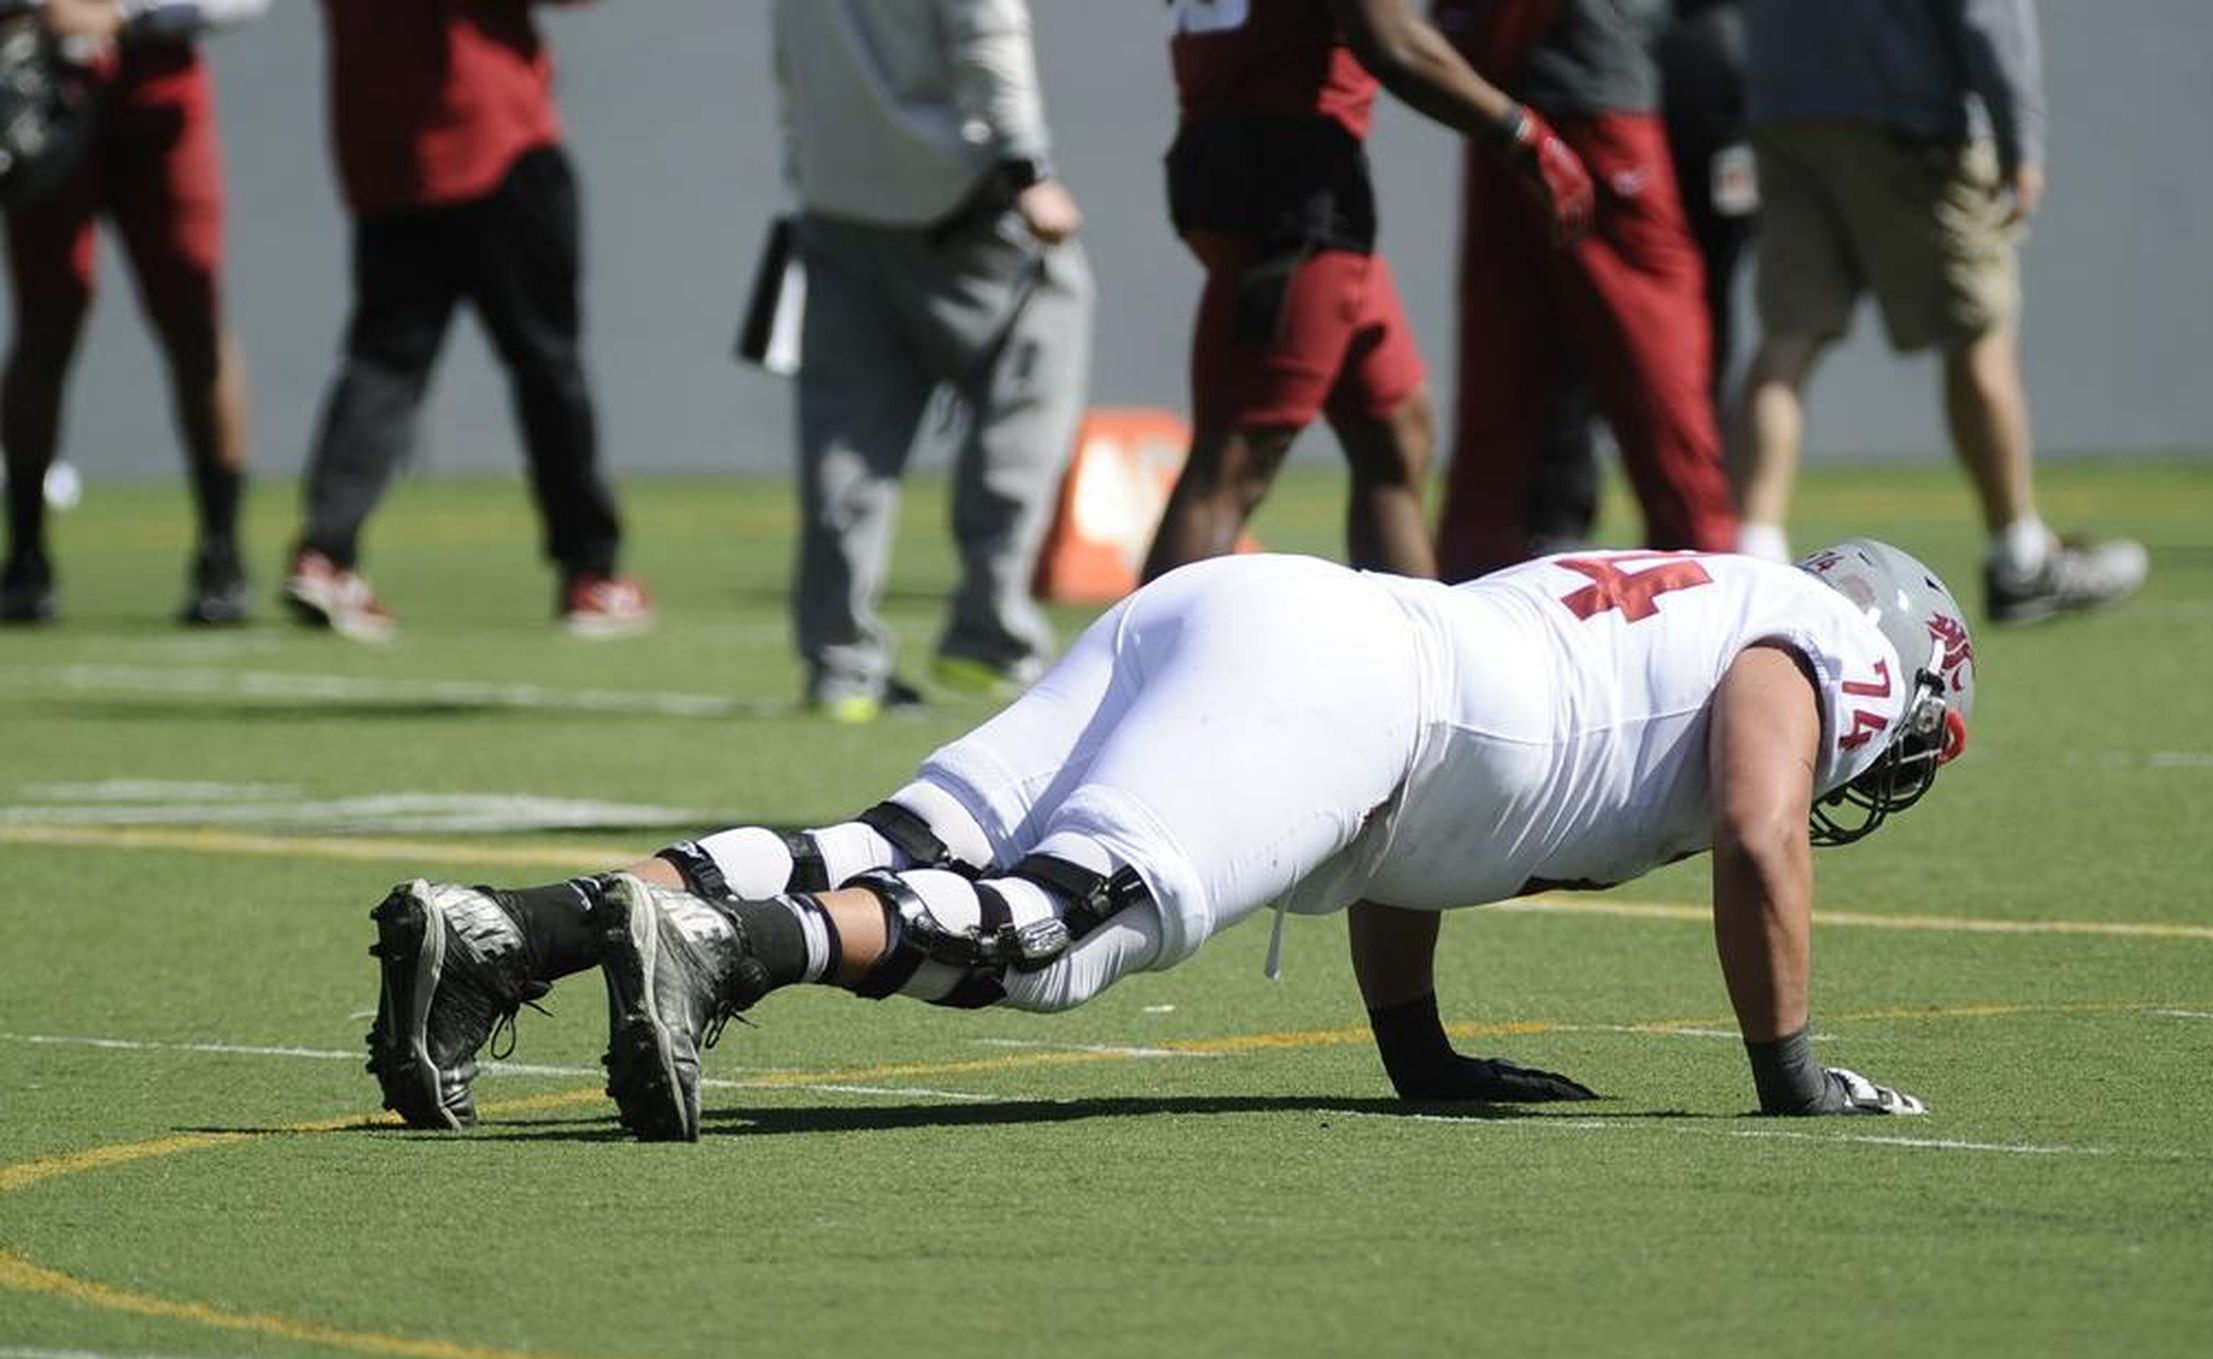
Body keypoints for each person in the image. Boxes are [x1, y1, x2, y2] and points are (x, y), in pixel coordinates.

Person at [357, 537, 1969, 1141]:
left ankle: (502, 931)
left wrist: (1421, 1049)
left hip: (1272, 615)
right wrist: (1791, 1069)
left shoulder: (1708, 586)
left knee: (895, 832)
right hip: (1358, 686)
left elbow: (1412, 843)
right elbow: (1764, 824)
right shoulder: (1828, 642)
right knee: (1056, 926)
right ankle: (722, 957)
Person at [1139, 0, 1593, 582]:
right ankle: (1129, 672)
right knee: (1232, 462)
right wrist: (1523, 134)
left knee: (1395, 430)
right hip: (1293, 185)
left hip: (1233, 149)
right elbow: (1393, 40)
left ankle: (1419, 663)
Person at [1732, 0, 2147, 622]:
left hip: (1787, 114)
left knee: (1787, 341)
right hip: (1908, 119)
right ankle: (2020, 557)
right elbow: (1988, 15)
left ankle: (1753, 562)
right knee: (1980, 337)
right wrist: (2020, 135)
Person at [285, 0, 652, 643]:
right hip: (495, 138)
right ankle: (590, 574)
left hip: (389, 149)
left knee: (383, 364)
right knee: (546, 366)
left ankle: (326, 554)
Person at [772, 0, 1093, 721]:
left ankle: (839, 663)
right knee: (1029, 392)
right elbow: (988, 36)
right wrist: (1028, 166)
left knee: (846, 437)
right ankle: (989, 636)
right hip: (966, 201)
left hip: (838, 198)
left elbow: (790, 60)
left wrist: (806, 162)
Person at [1430, 0, 1737, 582]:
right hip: (1585, 95)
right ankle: (1716, 596)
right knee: (1662, 374)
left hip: (1498, 100)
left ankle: (1462, 601)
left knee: (1502, 379)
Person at [1, 0, 265, 628]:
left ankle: (221, 550)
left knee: (191, 309)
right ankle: (27, 557)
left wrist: (122, 13)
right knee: (48, 317)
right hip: (49, 85)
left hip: (160, 88)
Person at [1519, 0, 1754, 559]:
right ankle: (1565, 519)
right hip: (1615, 84)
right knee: (1596, 309)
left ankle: (1690, 530)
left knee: (1695, 324)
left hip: (1704, 81)